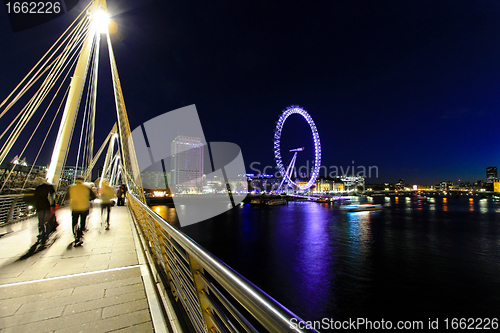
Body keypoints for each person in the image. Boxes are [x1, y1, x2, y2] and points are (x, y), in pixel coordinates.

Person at [66, 176, 96, 246]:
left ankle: (76, 234)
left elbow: (67, 197)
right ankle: (81, 231)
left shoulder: (71, 187)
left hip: (75, 207)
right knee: (83, 220)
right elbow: (93, 196)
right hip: (84, 206)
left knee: (74, 221)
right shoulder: (87, 187)